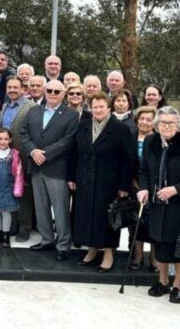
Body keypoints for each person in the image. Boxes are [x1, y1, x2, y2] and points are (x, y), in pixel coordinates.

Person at [137, 106, 180, 304]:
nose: (167, 126)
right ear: (156, 126)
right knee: (160, 243)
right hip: (157, 204)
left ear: (178, 125)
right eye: (163, 123)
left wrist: (175, 189)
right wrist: (143, 188)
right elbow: (143, 170)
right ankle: (162, 281)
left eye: (171, 123)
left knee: (179, 245)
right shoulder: (150, 141)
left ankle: (178, 285)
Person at [68, 92, 135, 272]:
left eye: (101, 107)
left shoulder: (120, 129)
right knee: (88, 217)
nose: (98, 110)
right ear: (90, 108)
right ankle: (92, 249)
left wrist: (124, 186)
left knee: (106, 219)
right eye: (95, 107)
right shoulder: (83, 126)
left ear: (109, 108)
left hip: (109, 184)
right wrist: (71, 177)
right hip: (85, 181)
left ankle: (108, 254)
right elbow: (74, 153)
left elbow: (128, 160)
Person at [20, 79, 79, 261]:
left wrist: (45, 153)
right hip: (36, 167)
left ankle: (63, 245)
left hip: (57, 168)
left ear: (63, 94)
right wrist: (33, 151)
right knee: (41, 207)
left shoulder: (71, 115)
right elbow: (23, 133)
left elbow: (68, 140)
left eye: (57, 91)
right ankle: (47, 240)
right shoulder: (33, 111)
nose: (52, 94)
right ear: (45, 92)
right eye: (50, 91)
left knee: (60, 209)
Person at [0, 77, 37, 242]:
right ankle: (11, 226)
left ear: (23, 89)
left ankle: (24, 228)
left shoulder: (31, 107)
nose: (12, 90)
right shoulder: (4, 106)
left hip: (23, 156)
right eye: (10, 87)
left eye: (16, 87)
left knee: (24, 194)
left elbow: (34, 132)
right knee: (9, 191)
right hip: (5, 156)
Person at [130, 106, 158, 272]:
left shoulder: (159, 139)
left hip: (154, 188)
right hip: (133, 186)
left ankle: (154, 258)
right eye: (142, 119)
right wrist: (134, 184)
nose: (145, 122)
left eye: (149, 119)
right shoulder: (130, 137)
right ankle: (138, 256)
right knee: (136, 223)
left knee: (154, 224)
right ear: (137, 120)